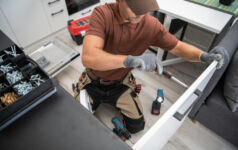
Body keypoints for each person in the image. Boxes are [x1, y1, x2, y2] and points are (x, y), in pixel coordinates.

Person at [73, 0, 224, 134]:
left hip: (120, 83)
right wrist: (129, 60)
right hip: (93, 81)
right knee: (77, 124)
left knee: (136, 127)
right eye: (135, 8)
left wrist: (202, 56)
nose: (140, 15)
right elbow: (88, 57)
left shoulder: (151, 25)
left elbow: (177, 46)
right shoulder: (102, 14)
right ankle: (84, 92)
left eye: (145, 9)